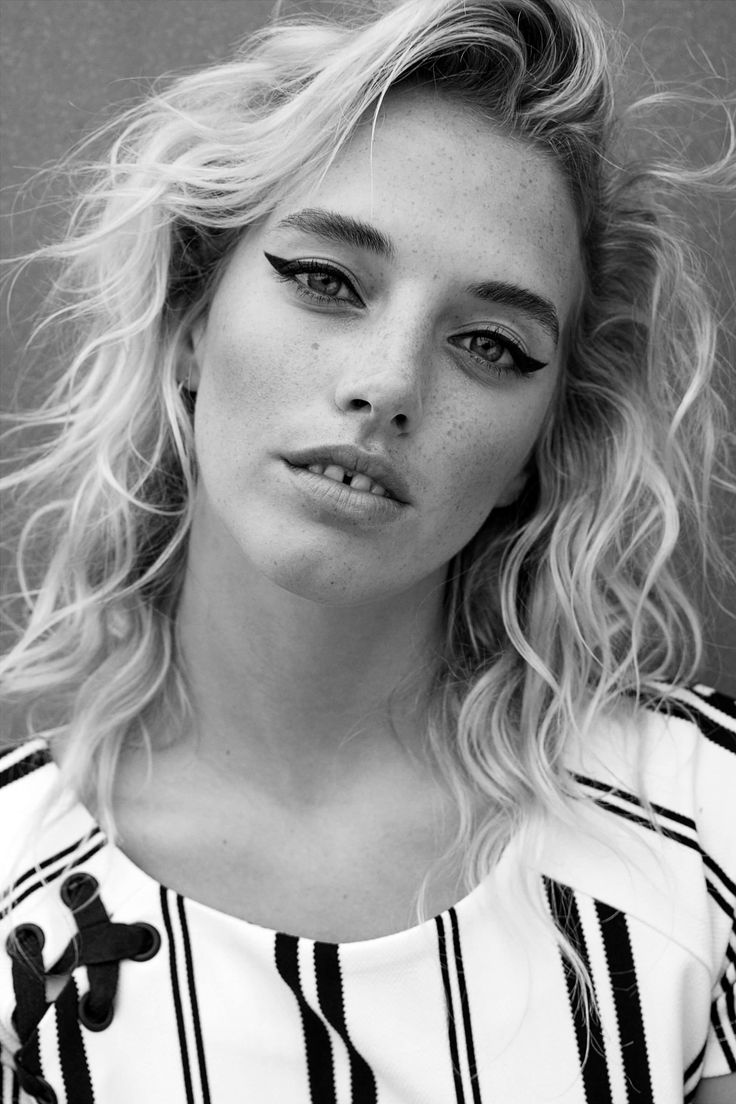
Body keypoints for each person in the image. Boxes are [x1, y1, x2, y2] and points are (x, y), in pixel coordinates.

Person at [1, 0, 734, 1100]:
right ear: (193, 323)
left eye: (490, 344)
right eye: (327, 280)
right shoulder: (15, 887)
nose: (388, 384)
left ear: (539, 447)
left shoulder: (703, 829)